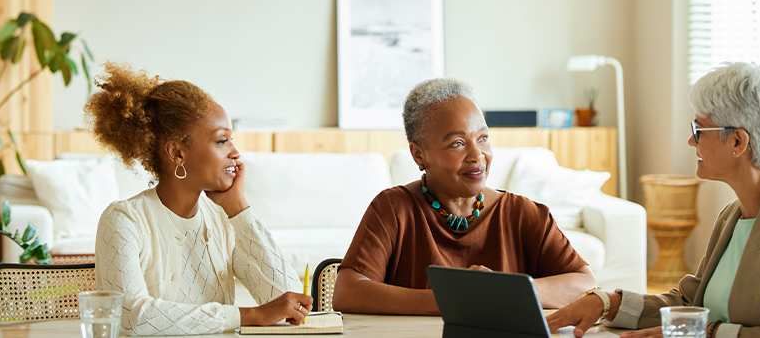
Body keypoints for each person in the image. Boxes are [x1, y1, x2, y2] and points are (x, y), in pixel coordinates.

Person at [547, 62, 760, 337]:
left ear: (738, 142)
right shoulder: (734, 214)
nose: (690, 140)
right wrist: (608, 302)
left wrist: (707, 333)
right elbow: (690, 307)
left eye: (699, 128)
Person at [333, 78, 596, 314]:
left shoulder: (524, 213)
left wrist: (508, 292)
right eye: (458, 143)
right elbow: (348, 291)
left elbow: (584, 283)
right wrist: (452, 299)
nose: (477, 155)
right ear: (418, 154)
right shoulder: (393, 208)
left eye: (482, 138)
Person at [88, 63, 311, 335]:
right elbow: (132, 316)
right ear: (177, 153)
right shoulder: (124, 220)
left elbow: (288, 301)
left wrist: (239, 211)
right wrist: (251, 315)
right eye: (221, 141)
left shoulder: (223, 218)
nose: (235, 153)